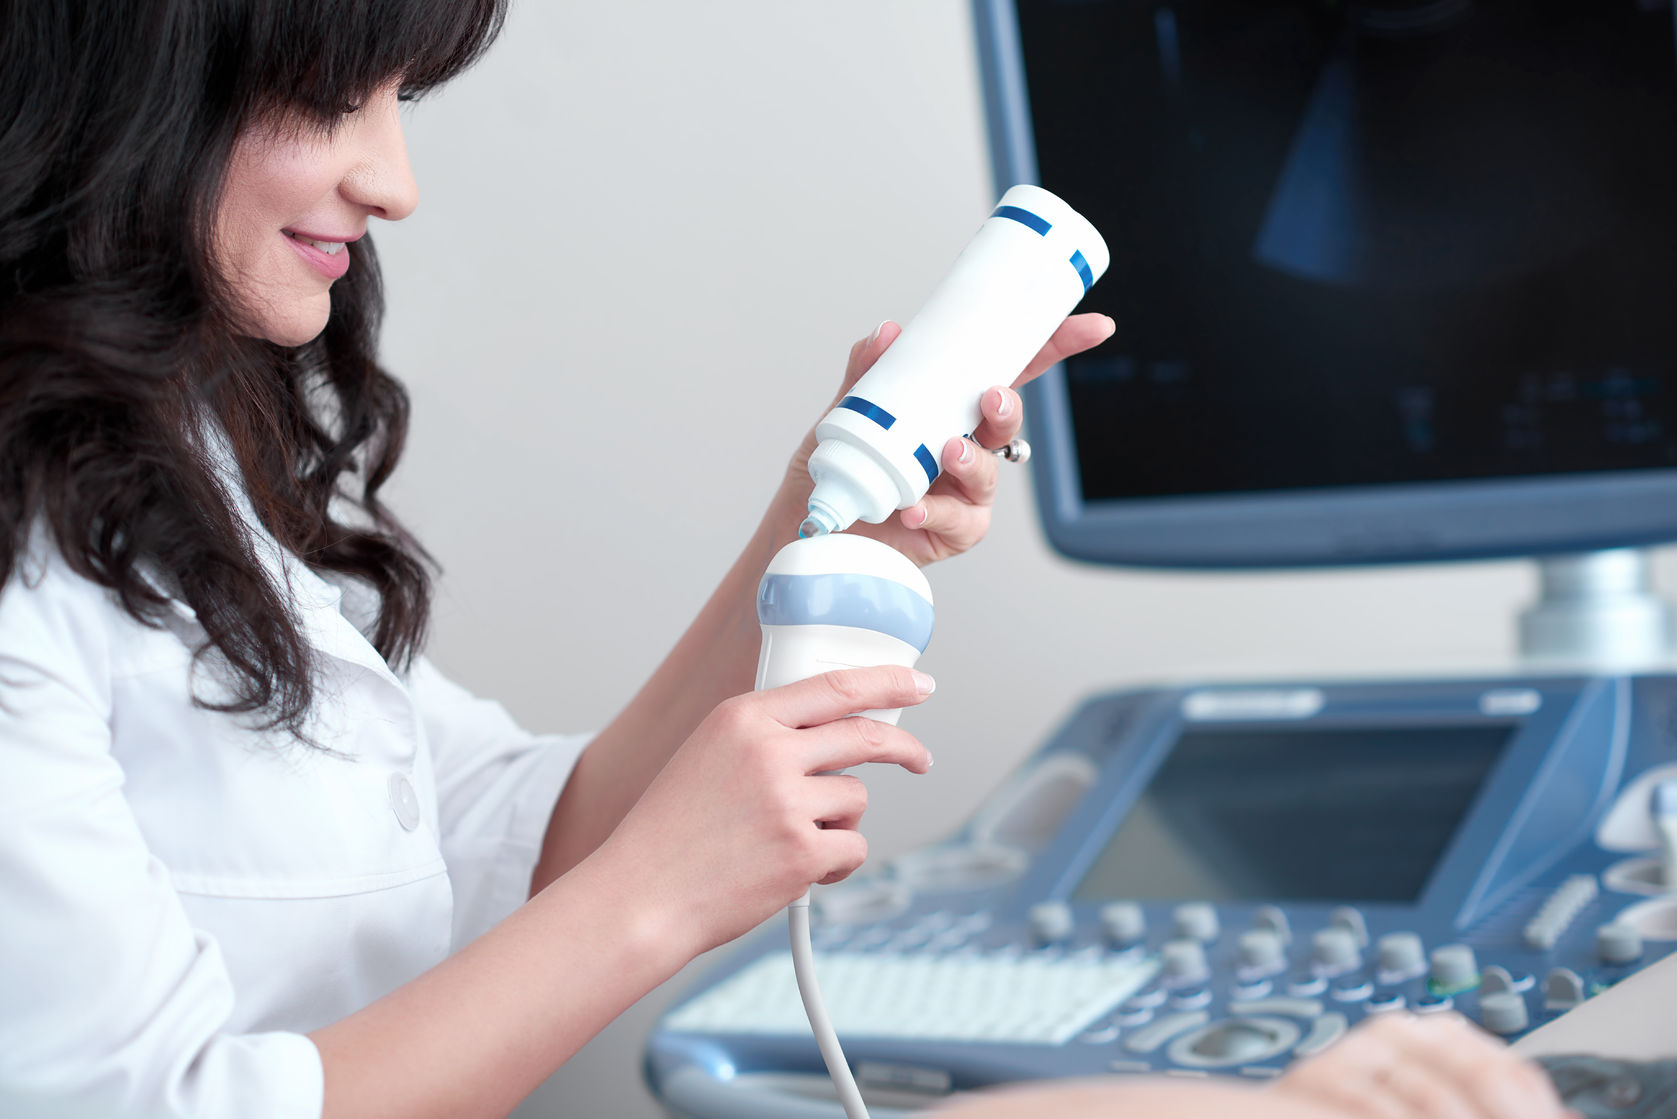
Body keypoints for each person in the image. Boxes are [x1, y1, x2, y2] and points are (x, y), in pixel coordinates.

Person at [0, 2, 1110, 1117]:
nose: (395, 183)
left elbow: (517, 840)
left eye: (401, 101)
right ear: (120, 88)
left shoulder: (177, 465)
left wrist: (824, 513)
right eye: (333, 100)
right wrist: (660, 895)